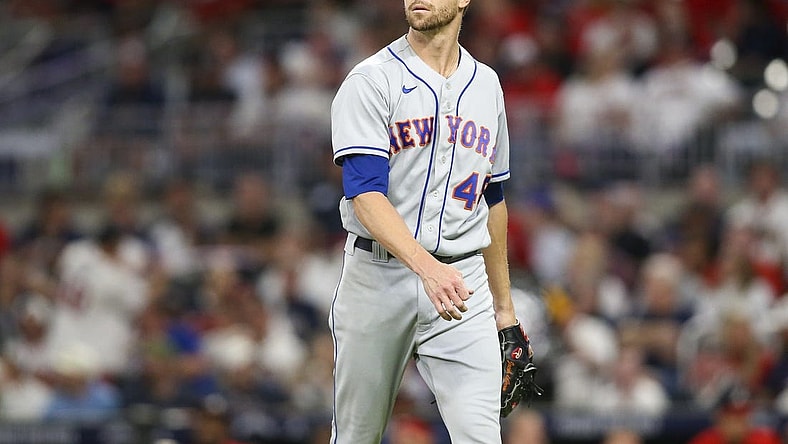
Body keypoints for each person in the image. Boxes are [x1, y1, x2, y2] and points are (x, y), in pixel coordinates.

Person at [329, 0, 532, 442]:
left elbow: (492, 198)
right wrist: (427, 268)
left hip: (462, 284)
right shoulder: (371, 79)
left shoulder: (487, 86)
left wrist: (504, 310)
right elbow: (364, 194)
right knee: (356, 436)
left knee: (481, 437)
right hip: (379, 277)